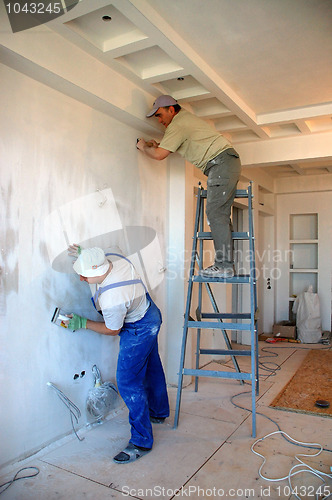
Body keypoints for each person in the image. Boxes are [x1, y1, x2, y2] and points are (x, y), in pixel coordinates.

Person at [66, 245, 170, 464]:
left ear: (95, 273)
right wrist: (86, 256)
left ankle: (142, 440)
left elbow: (113, 329)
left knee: (127, 382)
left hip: (139, 328)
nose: (82, 280)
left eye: (84, 276)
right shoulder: (117, 261)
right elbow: (97, 265)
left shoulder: (113, 297)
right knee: (151, 365)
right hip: (151, 313)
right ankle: (158, 412)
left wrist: (83, 322)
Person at [136, 95, 242, 278]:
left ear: (171, 109)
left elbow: (160, 155)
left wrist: (144, 147)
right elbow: (168, 147)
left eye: (160, 115)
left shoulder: (178, 123)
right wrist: (157, 145)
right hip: (225, 163)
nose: (160, 121)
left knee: (216, 213)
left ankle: (224, 266)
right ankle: (226, 264)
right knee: (221, 214)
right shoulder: (183, 122)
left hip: (221, 164)